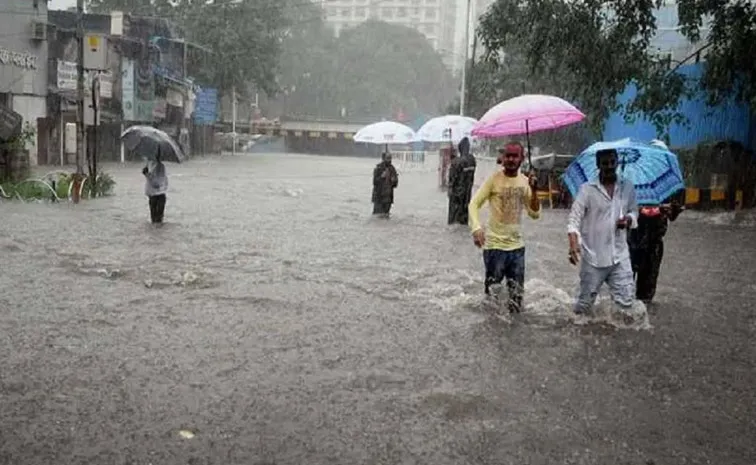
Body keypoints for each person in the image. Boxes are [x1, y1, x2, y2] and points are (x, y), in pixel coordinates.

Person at [468, 142, 540, 314]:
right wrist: (476, 228)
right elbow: (474, 204)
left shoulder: (525, 182)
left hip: (517, 248)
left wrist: (535, 190)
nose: (510, 159)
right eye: (508, 155)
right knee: (491, 299)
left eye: (515, 156)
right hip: (494, 247)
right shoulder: (493, 180)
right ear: (502, 158)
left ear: (522, 159)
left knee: (516, 301)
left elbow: (535, 214)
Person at [567, 148, 638, 316]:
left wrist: (628, 219)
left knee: (627, 307)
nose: (609, 166)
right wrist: (573, 244)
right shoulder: (587, 189)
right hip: (593, 258)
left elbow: (635, 211)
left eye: (613, 162)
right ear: (598, 165)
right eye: (605, 163)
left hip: (619, 256)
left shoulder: (627, 187)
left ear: (617, 163)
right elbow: (573, 219)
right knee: (583, 309)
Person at [629, 198, 684, 304]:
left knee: (646, 293)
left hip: (654, 243)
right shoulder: (625, 187)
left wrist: (667, 209)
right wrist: (640, 210)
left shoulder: (664, 190)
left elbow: (673, 214)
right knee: (623, 287)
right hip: (630, 241)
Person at [447, 137, 477, 225]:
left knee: (454, 219)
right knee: (464, 216)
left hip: (456, 193)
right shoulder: (472, 160)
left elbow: (452, 178)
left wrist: (453, 159)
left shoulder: (457, 162)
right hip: (467, 193)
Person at [142, 151, 168, 224]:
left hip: (157, 195)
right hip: (155, 195)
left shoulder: (159, 166)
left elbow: (156, 183)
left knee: (156, 220)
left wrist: (147, 174)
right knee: (157, 221)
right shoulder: (152, 165)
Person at [372, 152, 398, 218]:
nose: (389, 160)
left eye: (390, 158)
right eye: (388, 158)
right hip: (379, 197)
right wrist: (381, 177)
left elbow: (395, 185)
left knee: (386, 217)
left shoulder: (392, 169)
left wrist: (394, 181)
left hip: (388, 198)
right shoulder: (378, 168)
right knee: (377, 217)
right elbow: (374, 182)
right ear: (383, 159)